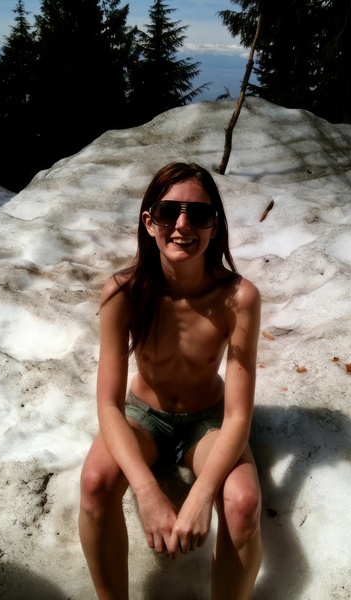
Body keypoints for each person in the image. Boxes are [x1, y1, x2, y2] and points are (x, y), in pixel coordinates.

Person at [79, 162, 262, 599]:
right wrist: (146, 490)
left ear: (215, 227)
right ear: (149, 221)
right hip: (144, 417)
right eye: (168, 212)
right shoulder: (123, 293)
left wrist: (199, 495)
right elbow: (108, 404)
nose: (182, 225)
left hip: (209, 423)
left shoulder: (238, 298)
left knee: (242, 504)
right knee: (95, 485)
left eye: (198, 214)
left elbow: (238, 414)